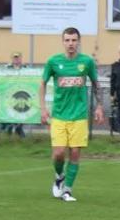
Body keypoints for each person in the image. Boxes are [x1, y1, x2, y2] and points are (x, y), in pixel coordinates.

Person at [39, 27, 106, 202]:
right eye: (67, 40)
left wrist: (99, 106)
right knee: (59, 153)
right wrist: (43, 108)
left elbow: (96, 84)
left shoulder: (87, 62)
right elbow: (42, 83)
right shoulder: (54, 62)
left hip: (79, 115)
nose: (70, 44)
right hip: (59, 115)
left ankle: (67, 190)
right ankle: (59, 176)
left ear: (78, 41)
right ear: (63, 42)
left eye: (74, 40)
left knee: (75, 152)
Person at [2, 52, 26, 137]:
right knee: (9, 110)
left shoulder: (25, 68)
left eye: (18, 57)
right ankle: (10, 130)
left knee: (20, 112)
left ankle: (19, 129)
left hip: (21, 94)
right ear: (12, 58)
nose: (16, 59)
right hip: (10, 93)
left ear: (21, 58)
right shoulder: (7, 67)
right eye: (15, 57)